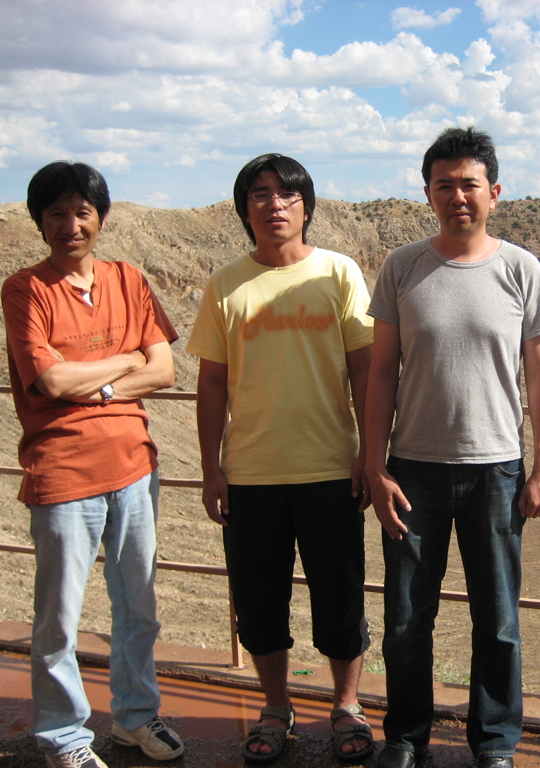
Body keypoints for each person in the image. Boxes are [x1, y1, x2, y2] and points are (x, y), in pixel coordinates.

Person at [366, 126, 540, 768]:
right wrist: (374, 466)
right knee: (404, 620)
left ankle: (495, 743)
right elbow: (381, 373)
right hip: (412, 472)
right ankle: (405, 738)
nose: (457, 196)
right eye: (443, 185)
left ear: (494, 193)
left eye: (469, 184)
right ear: (427, 193)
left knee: (498, 621)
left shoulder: (519, 268)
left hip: (496, 471)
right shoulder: (402, 267)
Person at [187, 153, 375, 765]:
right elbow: (211, 383)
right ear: (245, 209)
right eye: (260, 194)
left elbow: (365, 369)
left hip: (329, 468)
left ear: (306, 206)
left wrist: (370, 454)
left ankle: (346, 707)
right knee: (260, 601)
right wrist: (212, 467)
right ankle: (276, 707)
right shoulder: (226, 283)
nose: (274, 205)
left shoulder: (339, 273)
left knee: (340, 596)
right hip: (252, 473)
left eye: (287, 194)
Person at [0, 162, 184, 768]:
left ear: (100, 217)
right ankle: (64, 738)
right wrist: (126, 358)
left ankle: (135, 719)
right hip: (62, 472)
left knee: (139, 606)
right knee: (59, 616)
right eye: (56, 212)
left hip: (134, 466)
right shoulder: (26, 288)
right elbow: (50, 378)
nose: (70, 224)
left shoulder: (128, 278)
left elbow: (165, 370)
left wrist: (97, 384)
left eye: (82, 211)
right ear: (40, 221)